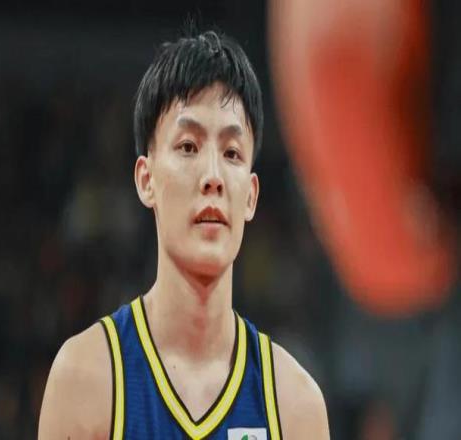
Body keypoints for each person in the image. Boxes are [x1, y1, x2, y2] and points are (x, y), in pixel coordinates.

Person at [38, 29, 330, 440]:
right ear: (146, 179)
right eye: (189, 146)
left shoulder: (295, 405)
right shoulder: (85, 380)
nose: (212, 176)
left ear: (251, 195)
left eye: (231, 153)